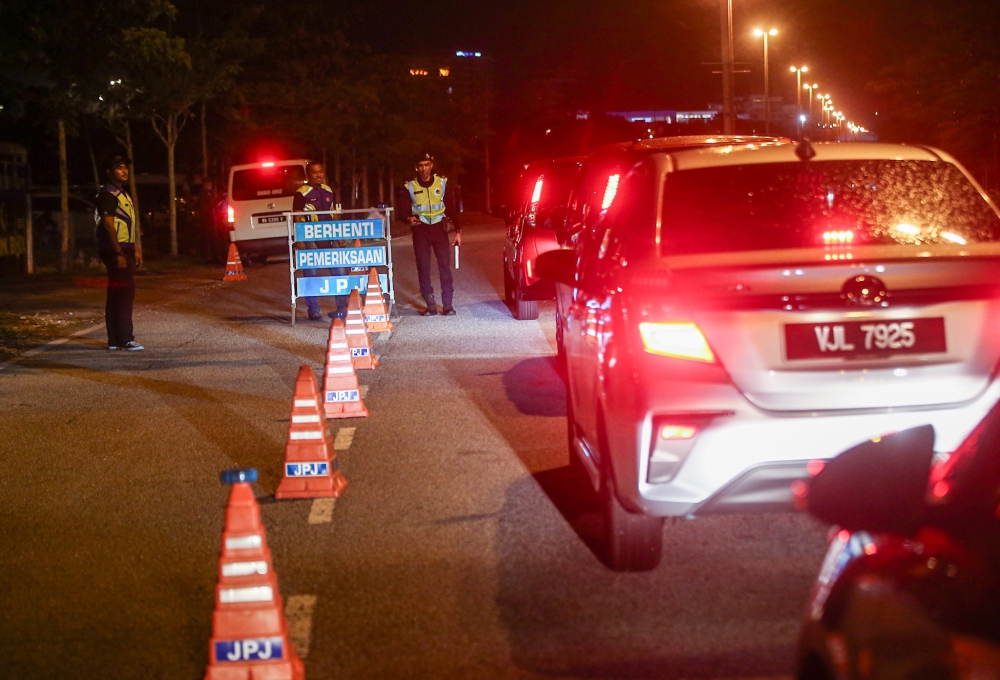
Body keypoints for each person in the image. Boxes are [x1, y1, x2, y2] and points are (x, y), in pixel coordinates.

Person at [398, 152, 461, 316]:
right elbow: (402, 209)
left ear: (431, 165)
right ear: (416, 167)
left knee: (444, 267)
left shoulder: (442, 183)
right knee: (423, 267)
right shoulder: (410, 186)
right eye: (420, 166)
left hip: (439, 229)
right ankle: (430, 305)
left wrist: (459, 231)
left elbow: (451, 207)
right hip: (421, 230)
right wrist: (408, 219)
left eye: (426, 165)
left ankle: (448, 305)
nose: (424, 169)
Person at [95, 155, 143, 351]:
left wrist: (136, 247)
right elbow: (108, 225)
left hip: (127, 247)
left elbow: (129, 225)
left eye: (125, 168)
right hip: (116, 248)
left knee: (116, 293)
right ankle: (125, 338)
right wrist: (118, 253)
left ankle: (114, 340)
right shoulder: (108, 194)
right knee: (124, 292)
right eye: (119, 168)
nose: (124, 171)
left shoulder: (122, 194)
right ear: (108, 172)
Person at [293, 162, 348, 321]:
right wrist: (300, 239)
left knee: (340, 273)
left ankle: (342, 307)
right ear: (307, 176)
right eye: (315, 173)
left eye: (321, 172)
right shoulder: (301, 193)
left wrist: (340, 236)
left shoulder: (329, 191)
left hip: (330, 238)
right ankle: (314, 310)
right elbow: (296, 218)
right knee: (311, 275)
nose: (319, 175)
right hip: (311, 240)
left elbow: (335, 214)